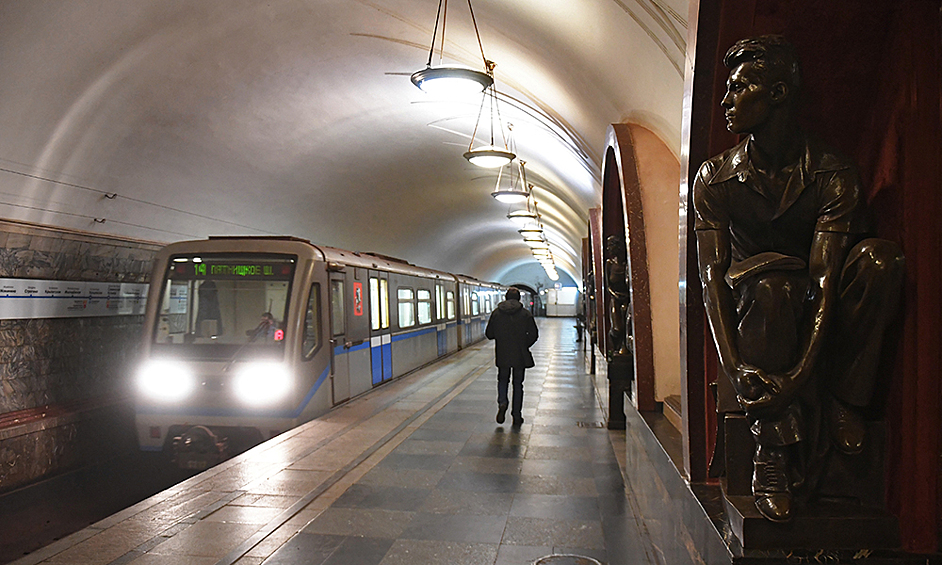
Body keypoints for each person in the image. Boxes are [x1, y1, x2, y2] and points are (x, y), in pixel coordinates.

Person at [693, 35, 903, 522]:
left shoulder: (833, 174)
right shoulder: (715, 178)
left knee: (880, 261)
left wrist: (800, 376)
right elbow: (711, 277)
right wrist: (733, 367)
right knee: (772, 286)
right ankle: (772, 453)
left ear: (778, 95)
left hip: (816, 302)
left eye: (739, 88)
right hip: (758, 304)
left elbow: (826, 278)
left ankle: (844, 398)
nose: (726, 102)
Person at [485, 287, 539, 427]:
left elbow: (489, 334)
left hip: (502, 354)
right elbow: (534, 334)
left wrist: (501, 337)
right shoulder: (525, 314)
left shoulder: (497, 313)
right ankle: (516, 415)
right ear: (519, 299)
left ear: (505, 298)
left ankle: (502, 402)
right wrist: (524, 344)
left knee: (503, 380)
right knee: (518, 384)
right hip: (520, 355)